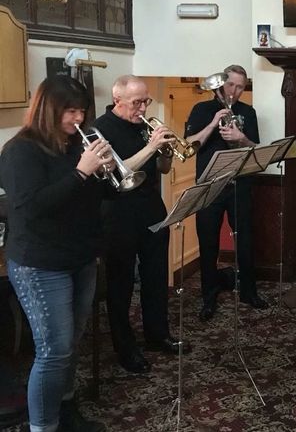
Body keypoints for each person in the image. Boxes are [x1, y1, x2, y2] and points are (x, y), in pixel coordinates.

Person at [0, 75, 110, 432]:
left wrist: (105, 173)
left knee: (70, 345)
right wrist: (81, 173)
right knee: (53, 351)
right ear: (49, 109)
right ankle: (43, 427)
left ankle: (66, 412)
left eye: (82, 111)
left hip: (78, 256)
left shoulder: (73, 144)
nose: (77, 118)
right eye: (70, 111)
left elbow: (90, 202)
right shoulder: (21, 151)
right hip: (40, 262)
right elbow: (31, 207)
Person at [94, 75, 188, 374]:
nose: (143, 107)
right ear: (117, 99)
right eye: (137, 102)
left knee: (156, 276)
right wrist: (150, 148)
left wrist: (164, 153)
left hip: (151, 209)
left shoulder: (144, 126)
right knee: (120, 284)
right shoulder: (100, 130)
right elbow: (117, 171)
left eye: (145, 101)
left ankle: (157, 334)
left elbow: (160, 168)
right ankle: (125, 348)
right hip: (117, 214)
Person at [185, 64, 266, 322]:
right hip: (209, 186)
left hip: (239, 184)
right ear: (221, 84)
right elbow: (189, 145)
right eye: (230, 85)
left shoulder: (248, 112)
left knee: (245, 240)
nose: (235, 91)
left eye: (241, 86)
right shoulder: (201, 110)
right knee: (208, 243)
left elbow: (255, 147)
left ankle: (248, 292)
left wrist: (240, 137)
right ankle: (208, 297)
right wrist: (212, 124)